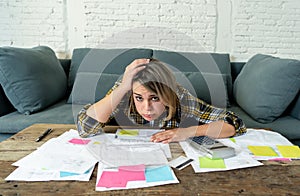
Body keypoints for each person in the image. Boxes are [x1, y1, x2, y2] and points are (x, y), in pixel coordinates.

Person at [77, 58, 246, 143]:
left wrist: (187, 132)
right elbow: (85, 129)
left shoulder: (179, 97)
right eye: (139, 98)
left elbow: (232, 124)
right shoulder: (124, 92)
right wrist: (122, 88)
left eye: (155, 98)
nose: (147, 108)